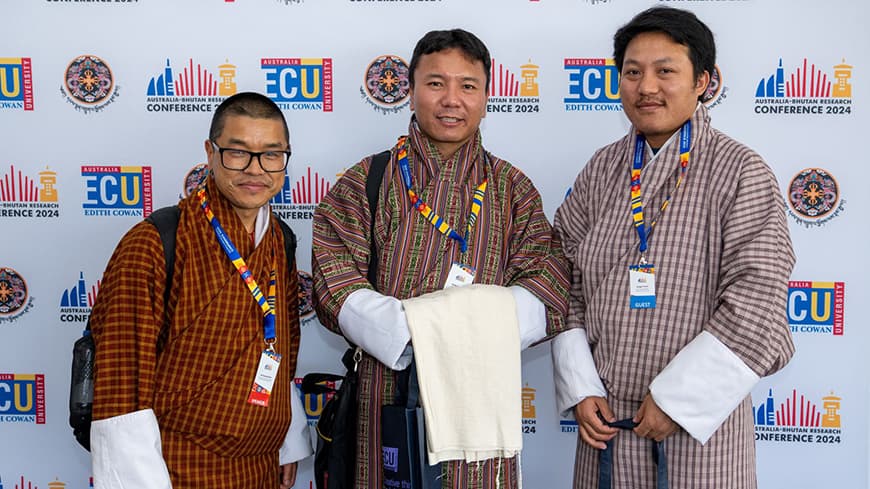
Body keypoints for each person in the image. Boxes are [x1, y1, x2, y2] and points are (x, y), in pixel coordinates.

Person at [312, 29, 570, 489]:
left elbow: (546, 284)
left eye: (468, 86)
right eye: (435, 84)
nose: (452, 100)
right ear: (410, 91)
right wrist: (429, 335)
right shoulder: (365, 181)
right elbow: (335, 284)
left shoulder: (513, 188)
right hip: (386, 393)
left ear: (487, 97)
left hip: (482, 394)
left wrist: (456, 332)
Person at [551, 7, 795, 489]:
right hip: (606, 421)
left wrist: (678, 400)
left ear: (703, 80)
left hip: (700, 434)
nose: (647, 87)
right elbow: (561, 277)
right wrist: (580, 386)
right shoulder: (603, 168)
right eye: (633, 72)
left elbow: (759, 296)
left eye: (666, 71)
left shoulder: (740, 170)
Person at [89, 92, 312, 488]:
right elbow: (122, 389)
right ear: (210, 152)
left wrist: (287, 440)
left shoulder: (281, 239)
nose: (255, 169)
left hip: (260, 463)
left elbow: (282, 346)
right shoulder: (155, 243)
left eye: (271, 154)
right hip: (179, 464)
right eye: (237, 152)